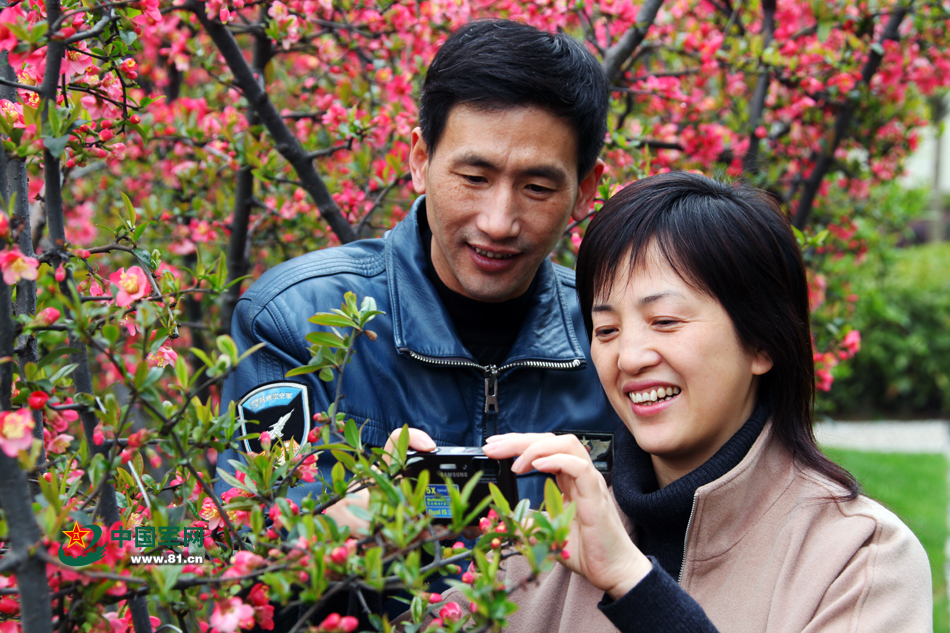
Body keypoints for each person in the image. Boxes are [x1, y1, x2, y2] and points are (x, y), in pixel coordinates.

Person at [474, 172, 932, 632]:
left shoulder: (860, 559)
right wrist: (406, 538)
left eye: (666, 320)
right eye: (606, 330)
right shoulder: (551, 540)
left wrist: (633, 584)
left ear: (762, 344)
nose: (629, 357)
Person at [214, 19, 620, 517]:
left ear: (583, 191)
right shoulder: (292, 320)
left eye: (537, 188)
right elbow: (242, 537)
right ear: (420, 159)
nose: (498, 223)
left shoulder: (613, 335)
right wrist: (347, 520)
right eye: (474, 177)